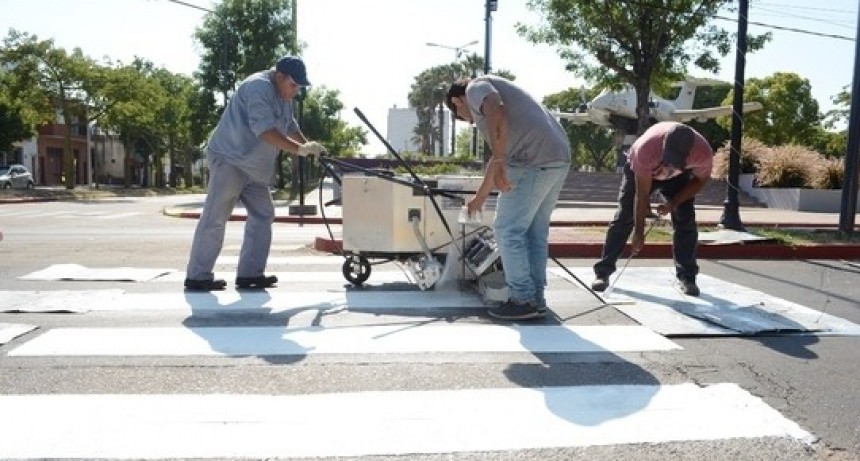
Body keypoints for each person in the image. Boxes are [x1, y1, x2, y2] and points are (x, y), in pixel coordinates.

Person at [184, 56, 326, 291]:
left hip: (254, 168)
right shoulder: (258, 87)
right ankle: (197, 277)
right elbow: (265, 130)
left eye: (299, 87)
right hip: (230, 159)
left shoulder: (284, 96)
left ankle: (250, 274)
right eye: (293, 85)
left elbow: (290, 126)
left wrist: (310, 146)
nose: (295, 91)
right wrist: (300, 150)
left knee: (263, 214)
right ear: (279, 77)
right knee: (216, 216)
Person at [446, 76, 571, 320]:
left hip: (532, 160)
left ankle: (522, 298)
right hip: (557, 157)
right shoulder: (499, 94)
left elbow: (497, 112)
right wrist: (480, 198)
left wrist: (502, 161)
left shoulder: (474, 88)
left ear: (457, 100)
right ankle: (536, 299)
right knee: (534, 233)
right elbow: (498, 154)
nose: (467, 121)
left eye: (460, 115)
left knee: (507, 230)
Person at [591, 121, 714, 296]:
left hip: (678, 178)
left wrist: (674, 203)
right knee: (625, 215)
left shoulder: (702, 153)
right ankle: (603, 272)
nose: (670, 164)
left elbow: (699, 181)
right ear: (663, 143)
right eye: (669, 157)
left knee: (685, 219)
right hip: (641, 171)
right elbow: (641, 195)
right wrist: (639, 232)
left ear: (689, 153)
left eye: (677, 160)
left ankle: (688, 277)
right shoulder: (646, 148)